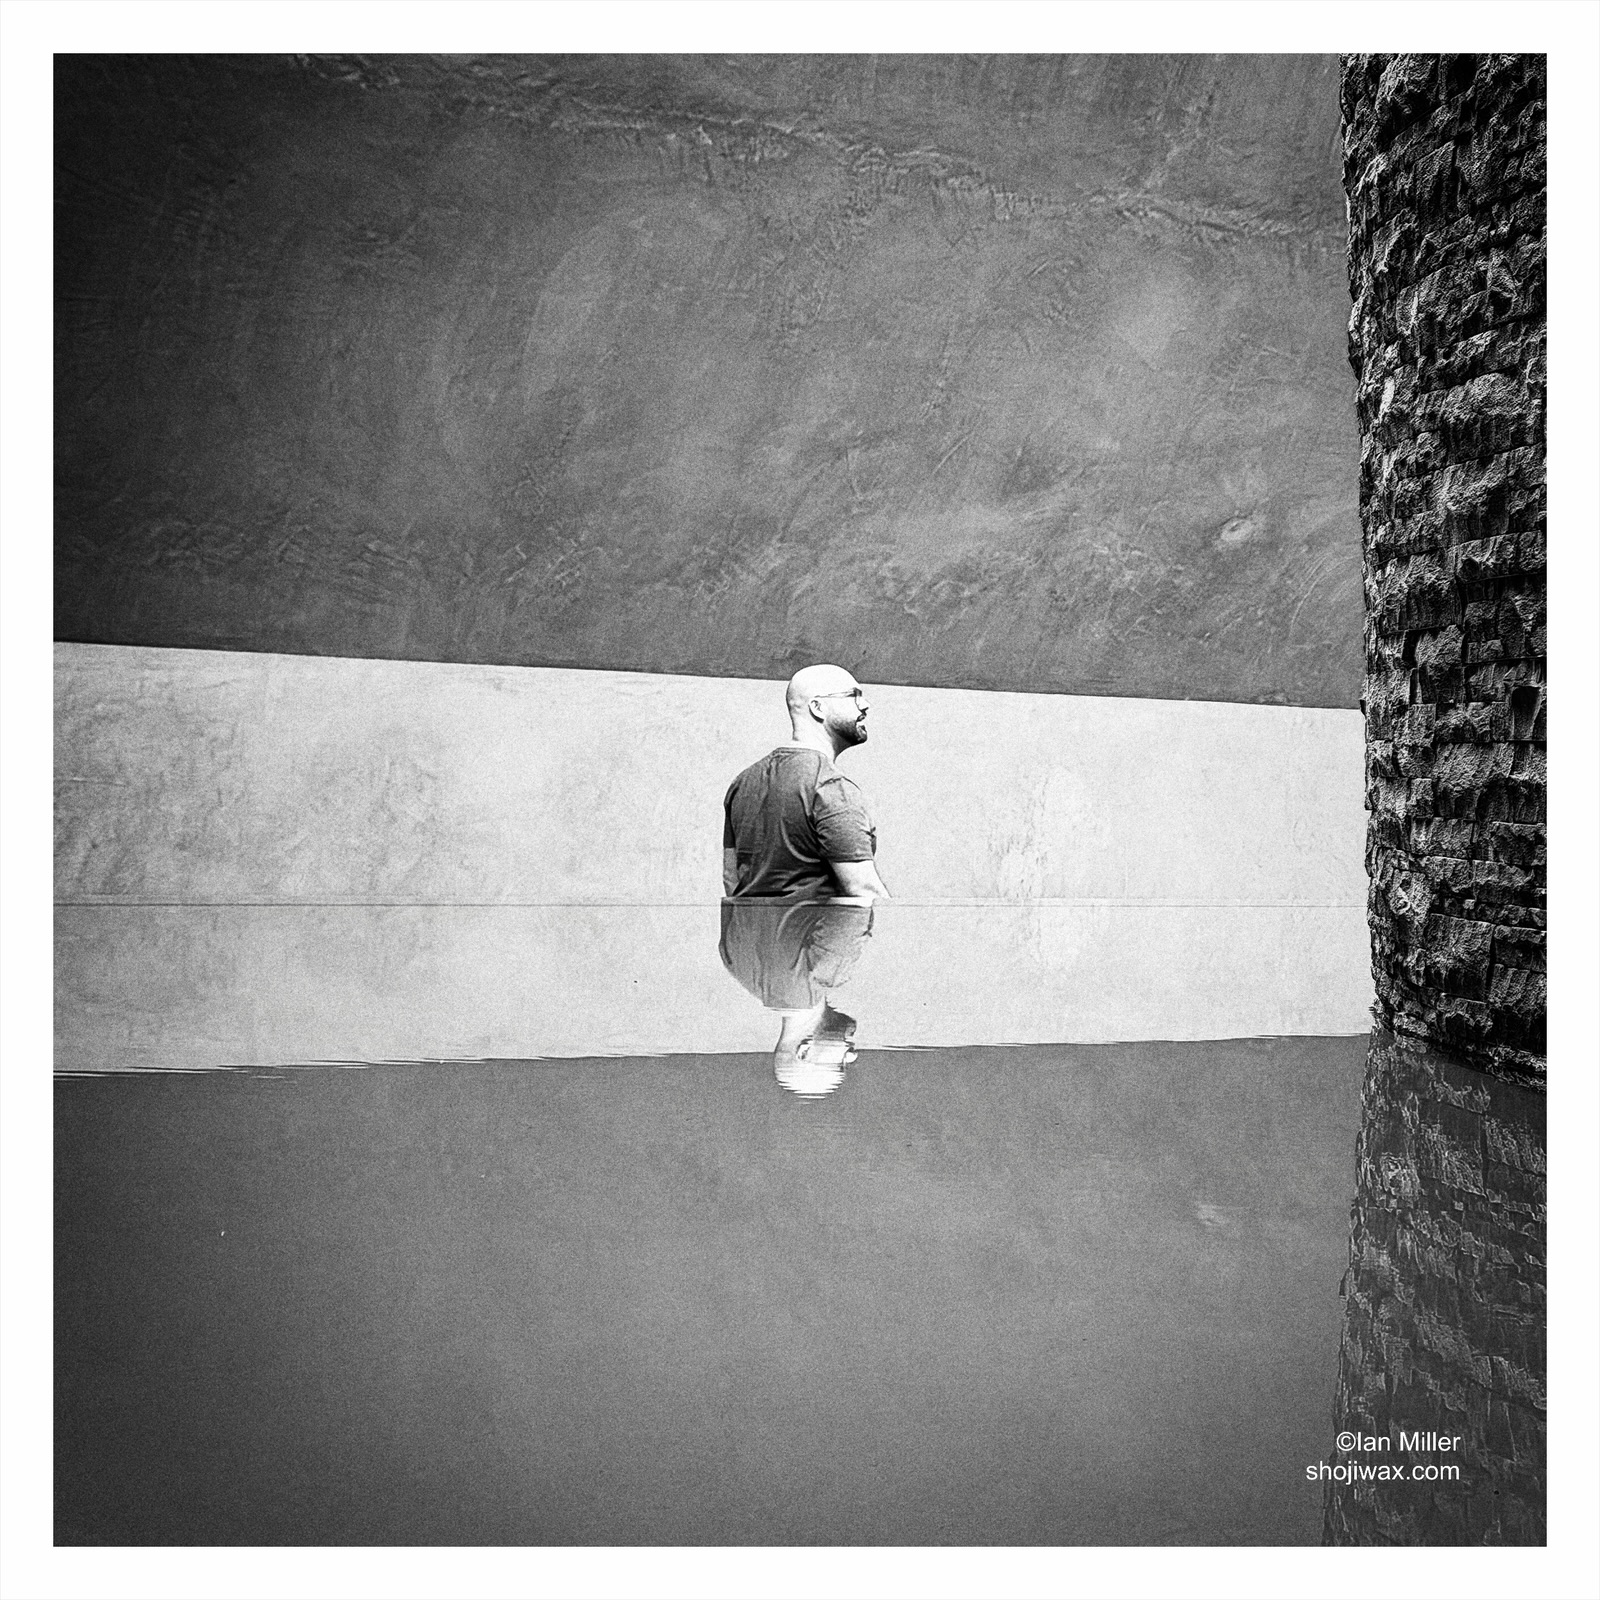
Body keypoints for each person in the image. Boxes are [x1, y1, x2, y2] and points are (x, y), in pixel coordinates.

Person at [721, 663, 891, 903]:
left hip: (750, 938)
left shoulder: (743, 782)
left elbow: (731, 879)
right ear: (818, 707)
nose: (865, 705)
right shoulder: (829, 786)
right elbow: (863, 889)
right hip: (815, 939)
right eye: (853, 696)